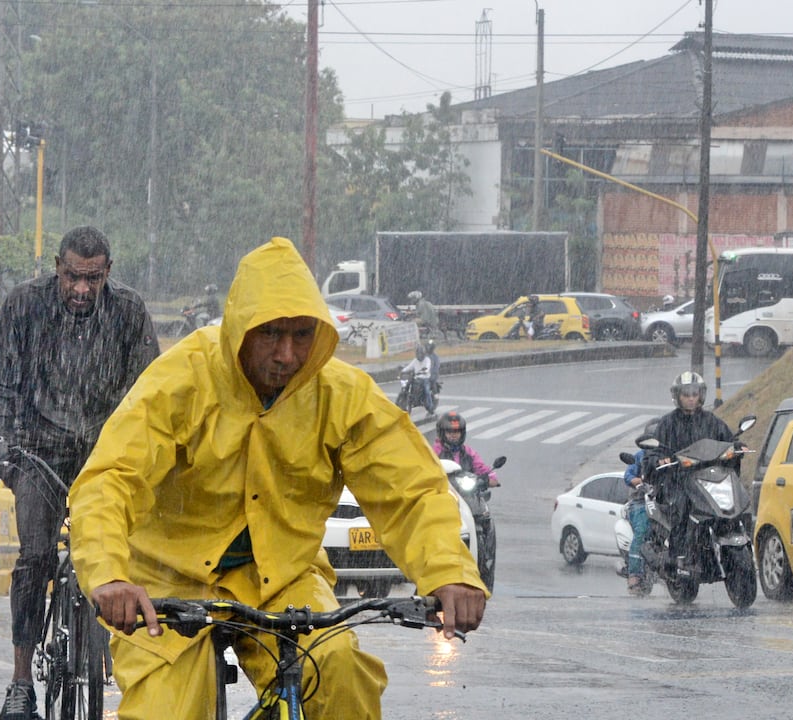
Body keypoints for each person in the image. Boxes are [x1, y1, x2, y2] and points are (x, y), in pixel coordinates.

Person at [68, 237, 486, 720]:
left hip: (282, 579)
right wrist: (110, 576)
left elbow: (412, 490)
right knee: (167, 711)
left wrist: (451, 574)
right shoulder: (182, 379)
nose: (287, 355)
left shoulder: (340, 394)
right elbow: (111, 480)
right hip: (167, 580)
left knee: (341, 674)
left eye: (302, 335)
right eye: (270, 334)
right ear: (240, 331)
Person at [0, 225, 159, 720]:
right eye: (73, 277)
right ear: (57, 267)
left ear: (108, 274)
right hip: (38, 451)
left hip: (106, 455)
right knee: (35, 556)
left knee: (133, 556)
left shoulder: (130, 312)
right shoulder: (24, 305)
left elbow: (154, 392)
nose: (81, 289)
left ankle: (133, 663)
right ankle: (19, 682)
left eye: (92, 279)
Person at [642, 371, 735, 574]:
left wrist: (738, 447)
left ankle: (732, 537)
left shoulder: (711, 421)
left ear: (701, 395)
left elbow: (728, 439)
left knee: (732, 499)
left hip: (708, 478)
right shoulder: (667, 424)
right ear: (677, 396)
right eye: (686, 394)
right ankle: (679, 556)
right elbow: (654, 451)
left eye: (695, 393)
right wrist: (659, 459)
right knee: (682, 507)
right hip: (678, 481)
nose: (691, 398)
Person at [622, 417, 662, 596]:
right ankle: (634, 576)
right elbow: (628, 475)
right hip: (641, 501)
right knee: (642, 531)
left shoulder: (669, 455)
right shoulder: (640, 457)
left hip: (664, 501)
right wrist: (639, 482)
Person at [431, 411, 500, 487]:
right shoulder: (434, 452)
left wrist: (487, 479)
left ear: (462, 433)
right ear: (442, 433)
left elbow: (483, 469)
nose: (453, 435)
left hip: (467, 494)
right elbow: (426, 470)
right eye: (449, 431)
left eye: (457, 432)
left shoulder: (469, 453)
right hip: (442, 491)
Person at [399, 342, 436, 417]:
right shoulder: (415, 360)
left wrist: (424, 371)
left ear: (423, 353)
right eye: (418, 354)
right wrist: (402, 371)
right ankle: (408, 400)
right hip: (416, 378)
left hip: (425, 379)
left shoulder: (427, 360)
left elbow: (427, 367)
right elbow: (409, 367)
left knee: (427, 391)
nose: (419, 355)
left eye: (420, 354)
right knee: (407, 386)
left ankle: (431, 408)